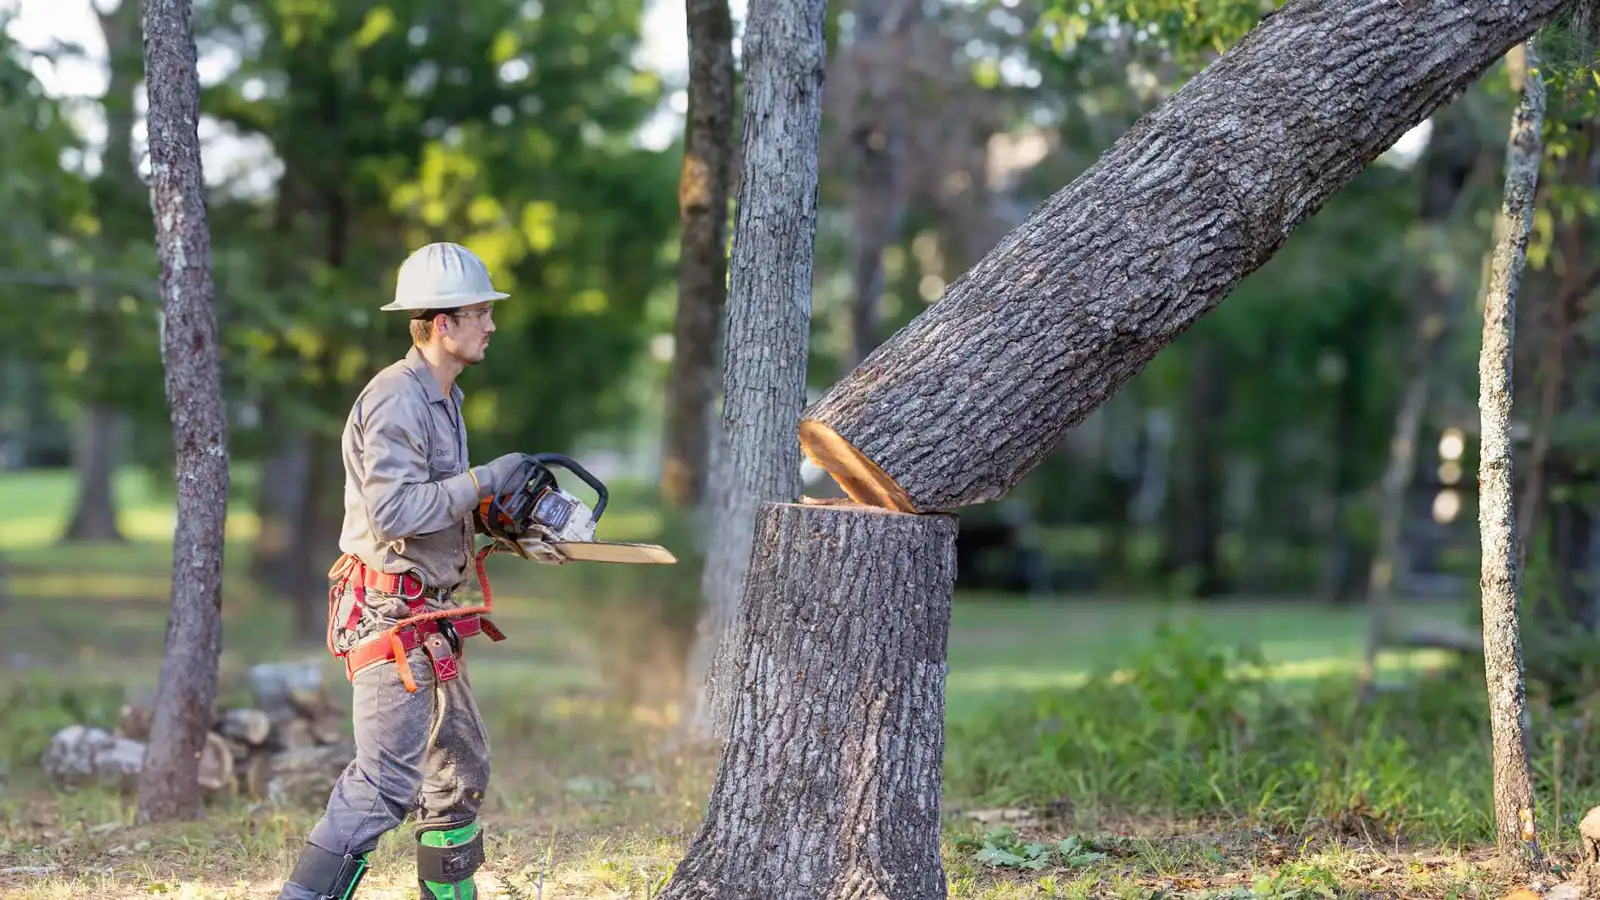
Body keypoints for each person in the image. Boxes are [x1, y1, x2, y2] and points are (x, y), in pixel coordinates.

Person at [278, 242, 528, 900]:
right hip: (391, 619)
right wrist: (480, 482)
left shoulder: (445, 397)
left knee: (456, 772)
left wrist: (500, 520)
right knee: (384, 783)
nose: (491, 325)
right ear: (443, 322)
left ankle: (449, 895)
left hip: (431, 616)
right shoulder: (396, 399)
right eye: (480, 312)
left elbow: (436, 504)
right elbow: (393, 511)